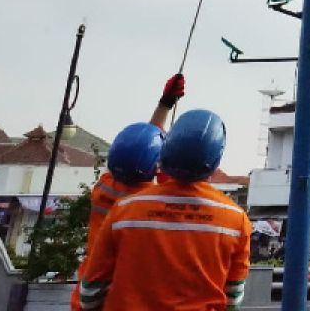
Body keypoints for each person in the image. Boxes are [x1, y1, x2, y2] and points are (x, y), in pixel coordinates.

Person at [79, 109, 251, 310]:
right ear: (216, 160)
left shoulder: (125, 210)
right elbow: (233, 296)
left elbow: (90, 292)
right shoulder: (236, 221)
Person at [69, 73, 184, 310]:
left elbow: (142, 147)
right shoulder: (150, 202)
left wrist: (164, 105)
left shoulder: (104, 187)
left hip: (87, 296)